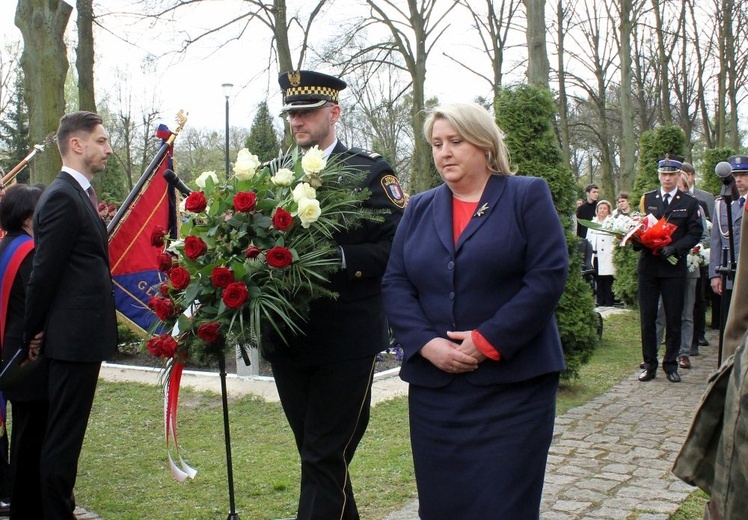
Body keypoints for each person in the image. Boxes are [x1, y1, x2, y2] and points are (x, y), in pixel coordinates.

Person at [381, 102, 568, 519]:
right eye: (436, 144)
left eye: (455, 141)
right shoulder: (419, 207)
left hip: (513, 389)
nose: (444, 152)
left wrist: (486, 342)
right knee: (443, 506)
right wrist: (426, 344)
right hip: (436, 395)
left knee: (503, 507)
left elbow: (547, 276)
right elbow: (395, 282)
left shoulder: (526, 195)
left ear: (483, 143)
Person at [262, 70, 404, 520]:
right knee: (319, 455)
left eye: (306, 112)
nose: (297, 121)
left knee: (324, 453)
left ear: (334, 113)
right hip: (288, 339)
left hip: (346, 338)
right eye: (291, 114)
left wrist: (340, 258)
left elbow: (398, 246)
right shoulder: (273, 176)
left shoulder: (371, 170)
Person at [22, 111, 118, 519]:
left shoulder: (80, 194)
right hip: (71, 339)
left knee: (66, 438)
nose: (108, 149)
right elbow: (44, 274)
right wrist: (33, 332)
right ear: (76, 144)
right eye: (100, 140)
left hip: (80, 337)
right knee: (63, 440)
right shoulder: (63, 195)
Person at [0, 183, 49, 519]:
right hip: (27, 355)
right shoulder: (28, 251)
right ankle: (27, 506)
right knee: (31, 437)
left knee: (22, 433)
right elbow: (37, 301)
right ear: (29, 215)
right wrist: (35, 336)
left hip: (7, 350)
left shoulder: (5, 245)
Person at [637, 154, 702, 383]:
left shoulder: (688, 203)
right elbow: (640, 227)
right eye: (663, 174)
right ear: (659, 175)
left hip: (673, 268)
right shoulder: (648, 199)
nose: (667, 178)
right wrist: (637, 240)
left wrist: (675, 248)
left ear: (678, 176)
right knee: (647, 317)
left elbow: (695, 233)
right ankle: (649, 364)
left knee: (674, 316)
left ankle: (671, 364)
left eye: (671, 174)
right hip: (649, 267)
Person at [709, 155, 747, 346]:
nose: (738, 179)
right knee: (728, 325)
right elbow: (716, 240)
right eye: (735, 175)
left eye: (743, 175)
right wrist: (715, 274)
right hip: (729, 274)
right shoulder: (722, 204)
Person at [681, 162, 714, 350]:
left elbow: (706, 233)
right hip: (670, 262)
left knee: (693, 303)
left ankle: (692, 341)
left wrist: (698, 250)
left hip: (692, 259)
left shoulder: (699, 203)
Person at [587, 200, 616, 306]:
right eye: (600, 208)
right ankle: (600, 300)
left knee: (608, 278)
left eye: (604, 208)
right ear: (597, 210)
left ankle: (609, 301)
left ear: (608, 210)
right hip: (596, 255)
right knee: (598, 278)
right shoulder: (592, 223)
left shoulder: (611, 222)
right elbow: (588, 238)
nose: (602, 210)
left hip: (607, 254)